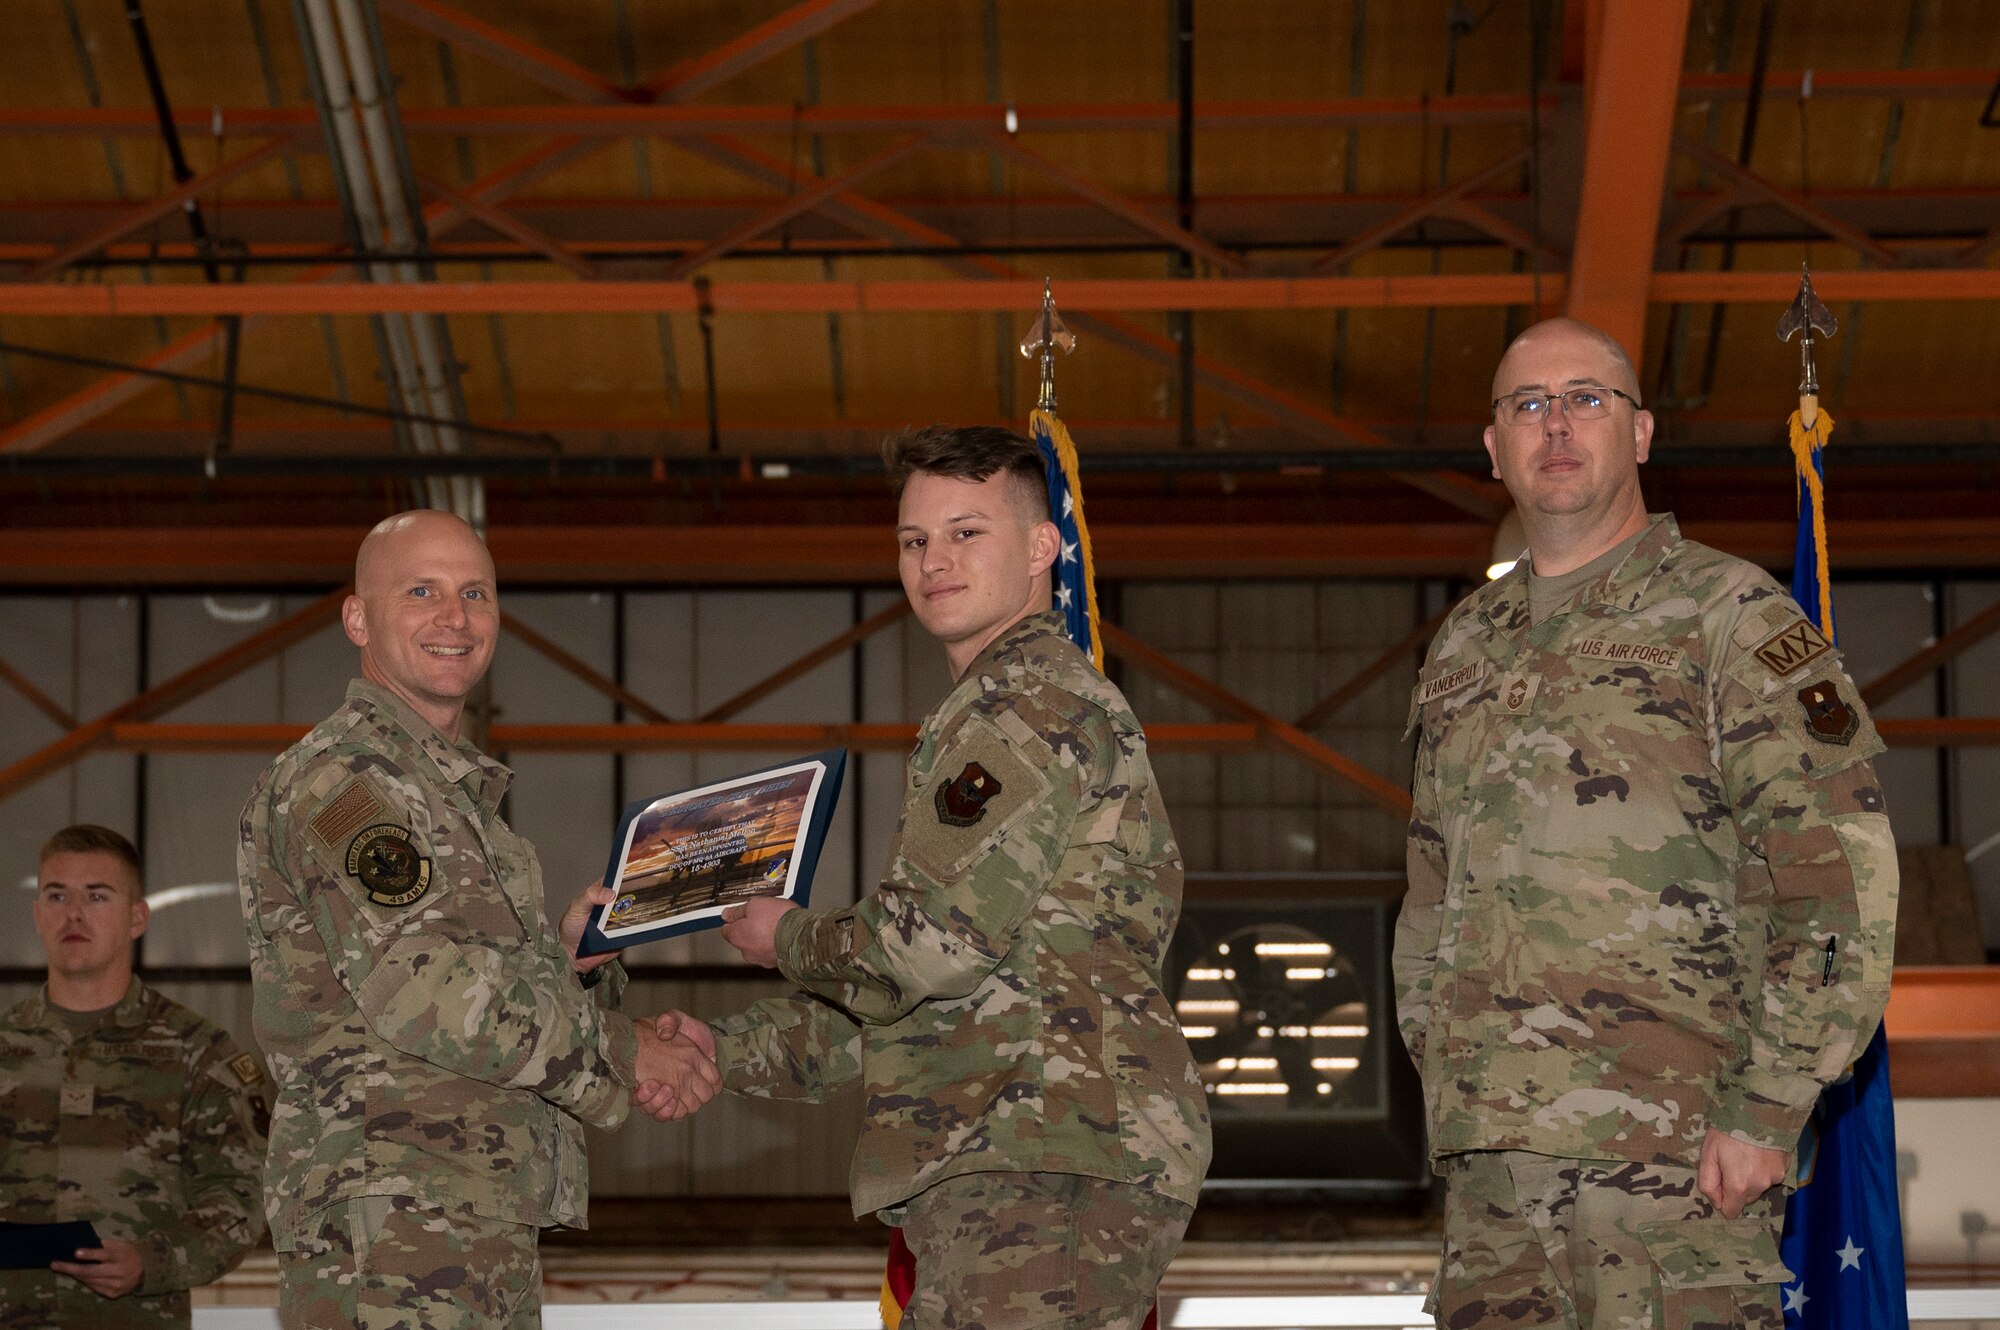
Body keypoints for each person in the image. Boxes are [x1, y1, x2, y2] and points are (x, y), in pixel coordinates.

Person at [646, 425, 1212, 1330]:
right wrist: (729, 1052)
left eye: (966, 532)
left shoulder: (1022, 706)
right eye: (915, 540)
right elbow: (930, 1003)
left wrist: (784, 936)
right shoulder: (993, 708)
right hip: (1026, 1148)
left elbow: (929, 947)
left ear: (1041, 547)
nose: (934, 560)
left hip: (1039, 1157)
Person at [1395, 318, 1898, 1329]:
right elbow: (1427, 888)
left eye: (1586, 398)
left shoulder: (1731, 615)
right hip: (1493, 1172)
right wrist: (1445, 1078)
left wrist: (1765, 1109)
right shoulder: (1462, 645)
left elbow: (1837, 876)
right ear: (1491, 447)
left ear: (1640, 432)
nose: (1555, 425)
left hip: (1673, 1158)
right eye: (1525, 404)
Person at [236, 510, 719, 1330]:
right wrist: (628, 1048)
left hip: (458, 1207)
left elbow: (448, 969)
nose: (454, 617)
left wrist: (564, 962)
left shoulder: (448, 793)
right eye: (420, 591)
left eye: (475, 593)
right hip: (389, 1218)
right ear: (358, 617)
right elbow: (425, 989)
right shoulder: (347, 780)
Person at [1, 824, 268, 1330]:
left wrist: (153, 1260)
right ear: (37, 914)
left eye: (97, 896)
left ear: (137, 917)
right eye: (56, 895)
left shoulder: (199, 1055)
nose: (73, 913)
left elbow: (243, 1200)